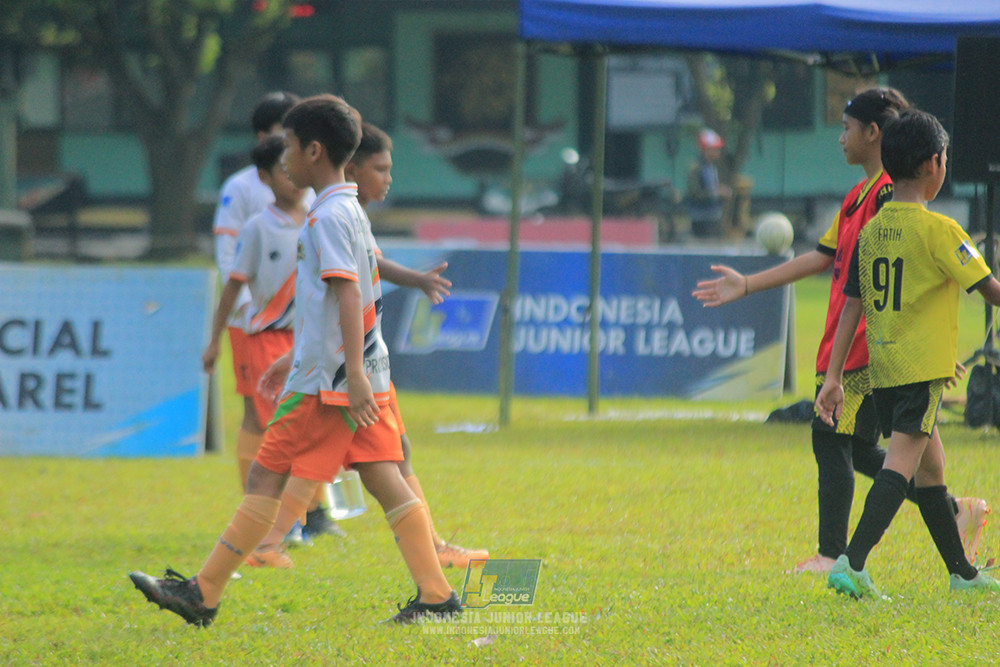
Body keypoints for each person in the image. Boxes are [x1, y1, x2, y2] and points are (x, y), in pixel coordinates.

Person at [130, 94, 461, 626]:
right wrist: (306, 357)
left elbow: (349, 294)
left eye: (288, 145)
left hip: (330, 385)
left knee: (265, 477)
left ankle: (203, 593)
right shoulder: (348, 209)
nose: (281, 156)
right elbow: (333, 299)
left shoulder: (326, 216)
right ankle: (437, 596)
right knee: (385, 479)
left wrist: (347, 374)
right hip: (356, 373)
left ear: (313, 150)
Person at [691, 88, 988, 574]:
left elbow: (906, 275)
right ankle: (956, 518)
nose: (840, 138)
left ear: (874, 133)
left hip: (872, 347)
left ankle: (836, 556)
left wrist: (920, 344)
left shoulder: (891, 195)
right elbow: (823, 257)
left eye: (846, 128)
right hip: (864, 344)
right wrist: (746, 284)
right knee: (888, 451)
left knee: (833, 438)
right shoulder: (857, 197)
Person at [816, 108, 1000, 598]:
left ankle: (962, 574)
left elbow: (851, 308)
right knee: (898, 468)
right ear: (935, 163)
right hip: (920, 374)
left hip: (884, 372)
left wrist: (833, 377)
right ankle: (851, 563)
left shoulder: (871, 230)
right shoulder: (941, 230)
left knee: (931, 472)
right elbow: (991, 291)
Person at [345, 121, 489, 569]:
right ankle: (264, 545)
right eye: (380, 169)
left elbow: (371, 265)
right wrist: (351, 367)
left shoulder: (352, 214)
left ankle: (435, 550)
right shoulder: (337, 215)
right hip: (348, 365)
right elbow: (344, 289)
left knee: (396, 452)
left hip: (365, 360)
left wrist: (417, 279)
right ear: (350, 169)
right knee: (294, 464)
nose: (389, 178)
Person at [202, 134, 340, 566]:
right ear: (265, 178)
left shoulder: (319, 218)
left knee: (305, 429)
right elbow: (234, 285)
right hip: (266, 340)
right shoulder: (257, 228)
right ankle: (277, 528)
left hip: (305, 341)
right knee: (279, 431)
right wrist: (215, 339)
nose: (291, 177)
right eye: (281, 170)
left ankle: (291, 522)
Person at [685, 128, 731, 238]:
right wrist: (717, 193)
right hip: (701, 218)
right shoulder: (695, 168)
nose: (718, 152)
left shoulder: (711, 167)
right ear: (705, 150)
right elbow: (695, 192)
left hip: (714, 217)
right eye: (715, 149)